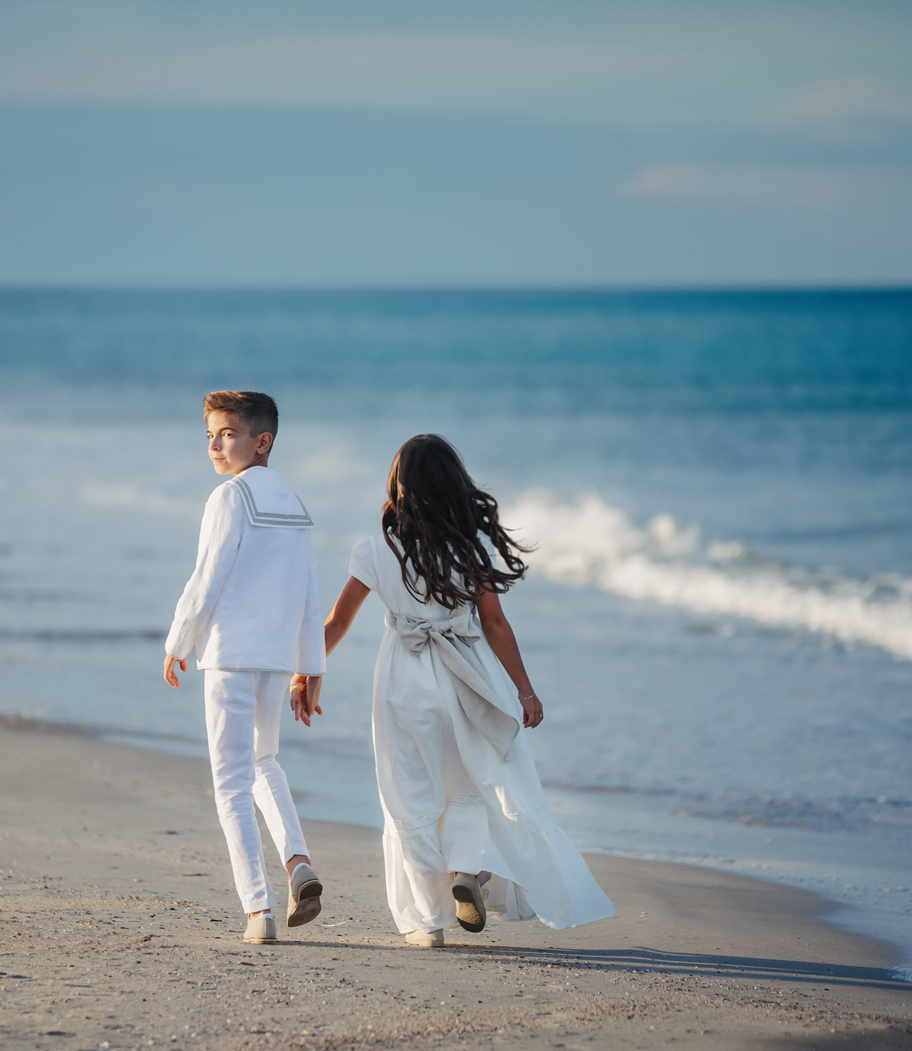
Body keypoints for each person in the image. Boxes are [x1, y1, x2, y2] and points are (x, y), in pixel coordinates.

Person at [321, 434, 615, 946]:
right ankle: (465, 870)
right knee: (472, 783)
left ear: (399, 488)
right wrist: (525, 690)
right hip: (468, 677)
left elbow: (336, 622)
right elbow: (496, 624)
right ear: (456, 488)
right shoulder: (470, 549)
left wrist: (304, 670)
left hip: (403, 680)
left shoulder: (374, 550)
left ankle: (426, 922)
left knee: (409, 789)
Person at [163, 390, 326, 944]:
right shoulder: (296, 505)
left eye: (226, 433)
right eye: (208, 434)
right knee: (265, 762)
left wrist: (178, 640)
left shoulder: (228, 497)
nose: (214, 444)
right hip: (277, 658)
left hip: (231, 656)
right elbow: (309, 596)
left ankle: (259, 911)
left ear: (263, 442)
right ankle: (298, 862)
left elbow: (206, 577)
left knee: (231, 783)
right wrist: (311, 668)